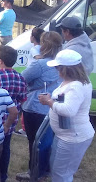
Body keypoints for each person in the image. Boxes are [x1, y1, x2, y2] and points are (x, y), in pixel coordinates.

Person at [38, 49, 95, 182]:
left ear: (66, 69)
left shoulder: (76, 86)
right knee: (60, 171)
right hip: (67, 135)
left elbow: (69, 110)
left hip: (73, 137)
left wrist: (49, 102)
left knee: (61, 174)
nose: (57, 70)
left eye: (58, 68)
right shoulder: (76, 81)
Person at [16, 31, 62, 181]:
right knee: (47, 140)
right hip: (52, 105)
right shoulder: (61, 62)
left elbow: (22, 78)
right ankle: (46, 169)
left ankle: (34, 172)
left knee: (34, 142)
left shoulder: (41, 64)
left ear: (44, 45)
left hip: (35, 106)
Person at [0, 46, 27, 182]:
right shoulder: (20, 77)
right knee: (5, 148)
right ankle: (2, 175)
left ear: (0, 61)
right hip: (10, 120)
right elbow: (22, 99)